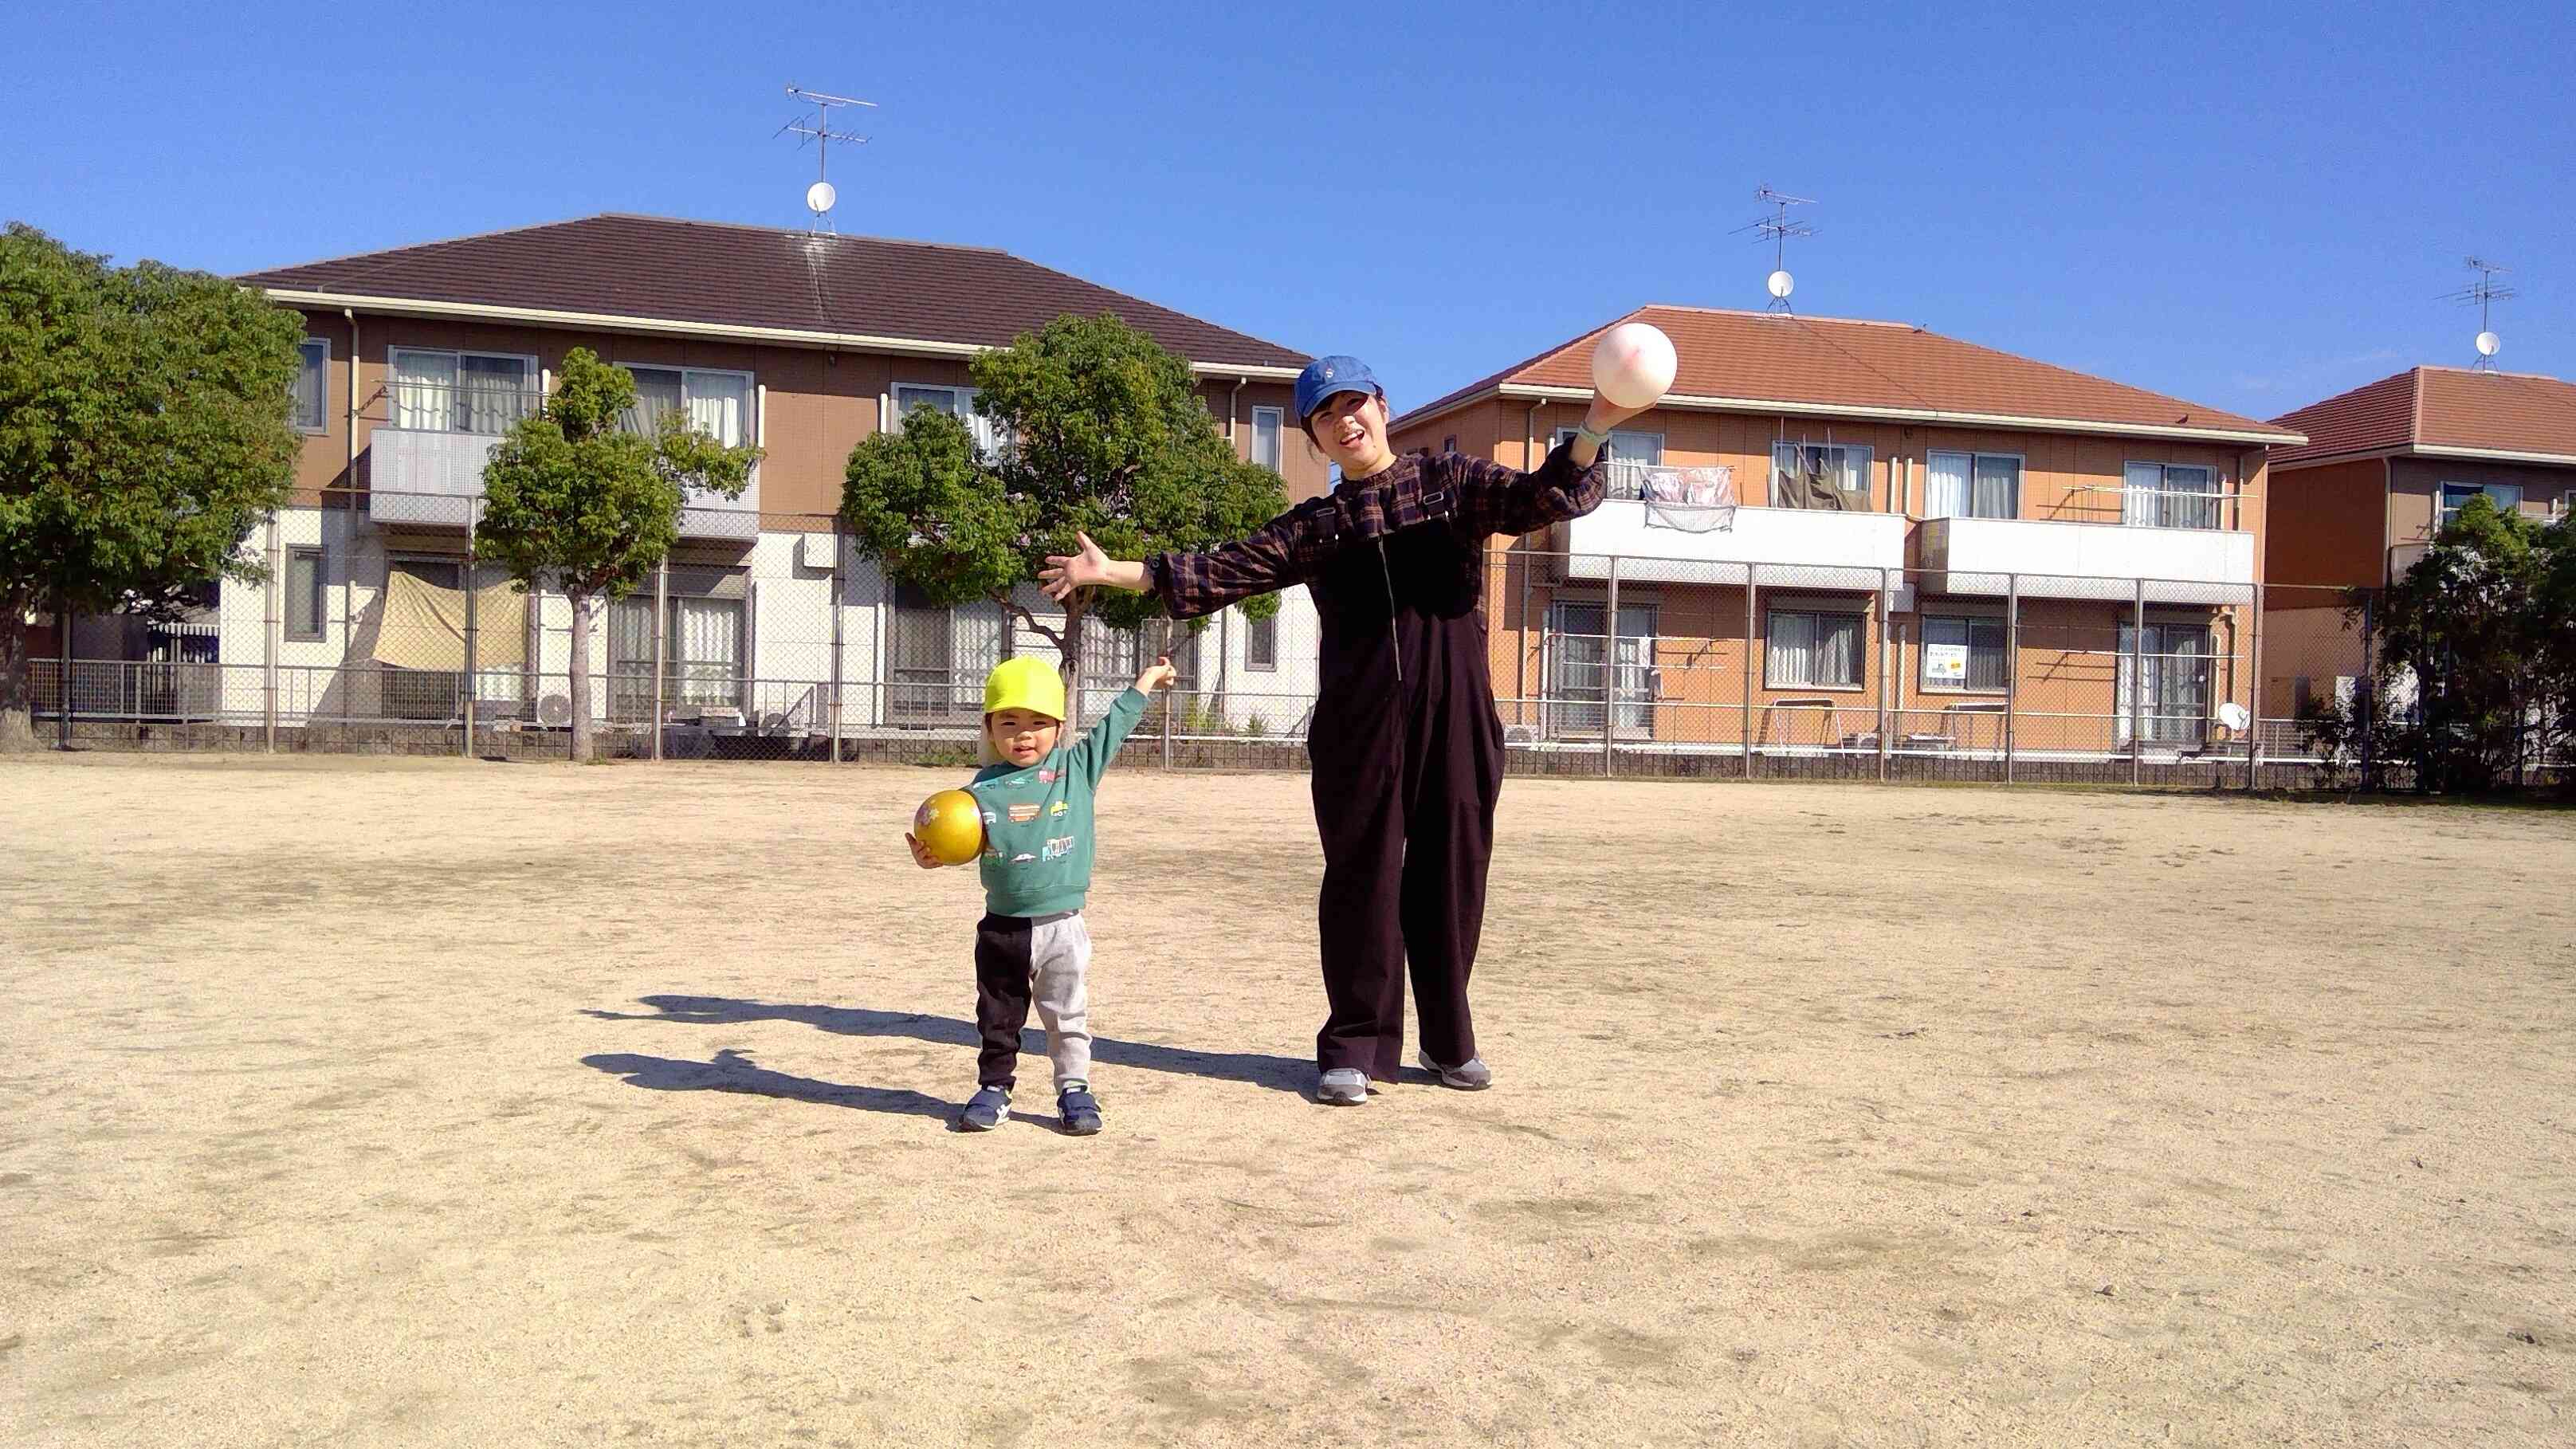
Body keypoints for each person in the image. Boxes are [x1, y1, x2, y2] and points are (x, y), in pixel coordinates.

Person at [1040, 355, 1647, 1104]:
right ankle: (1356, 1045)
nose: (1345, 421)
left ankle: (1451, 1041)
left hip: (1455, 710)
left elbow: (1539, 498)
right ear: (1316, 441)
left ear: (1384, 407)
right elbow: (1223, 569)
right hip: (1358, 725)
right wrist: (1115, 572)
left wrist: (1592, 427)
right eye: (1326, 416)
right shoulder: (1317, 526)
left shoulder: (1449, 485)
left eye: (1354, 404)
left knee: (1452, 875)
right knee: (1362, 880)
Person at [907, 652, 1176, 1134]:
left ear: (1058, 727)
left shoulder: (1076, 769)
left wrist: (1148, 679)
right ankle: (994, 1088)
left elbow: (1115, 723)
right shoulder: (977, 792)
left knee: (1066, 1015)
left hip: (1062, 926)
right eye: (1008, 722)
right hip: (1002, 928)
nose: (1023, 733)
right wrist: (931, 856)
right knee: (997, 1016)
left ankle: (1074, 1090)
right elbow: (955, 843)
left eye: (1038, 722)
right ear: (989, 728)